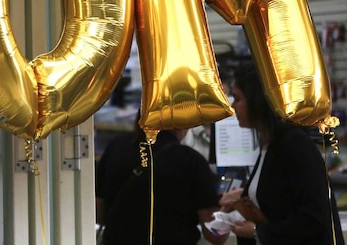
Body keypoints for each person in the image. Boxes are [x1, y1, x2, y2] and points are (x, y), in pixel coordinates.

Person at [220, 64, 344, 244]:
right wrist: (242, 199)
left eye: (237, 99)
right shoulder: (268, 146)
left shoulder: (294, 145)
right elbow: (279, 196)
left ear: (257, 102)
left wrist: (258, 231)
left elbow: (315, 217)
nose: (232, 107)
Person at [96, 115, 225, 245]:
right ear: (181, 122)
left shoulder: (116, 147)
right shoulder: (191, 161)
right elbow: (215, 234)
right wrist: (229, 208)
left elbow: (98, 213)